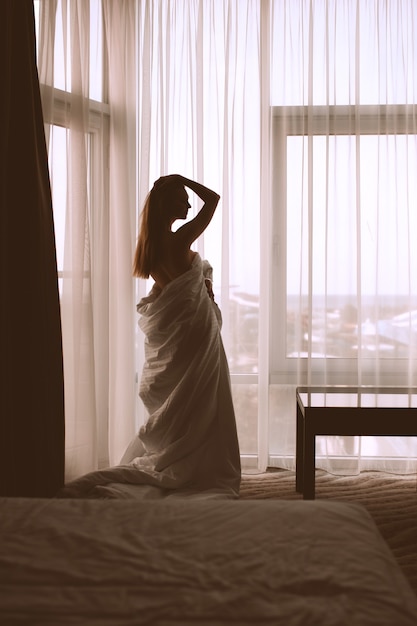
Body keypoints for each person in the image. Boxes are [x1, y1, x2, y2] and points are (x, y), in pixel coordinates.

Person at [60, 175, 241, 499]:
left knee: (183, 403)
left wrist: (198, 284)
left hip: (177, 333)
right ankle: (198, 465)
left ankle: (180, 454)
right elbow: (212, 199)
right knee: (202, 402)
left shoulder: (151, 247)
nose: (188, 204)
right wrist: (179, 178)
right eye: (182, 198)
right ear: (167, 204)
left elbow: (167, 291)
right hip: (195, 333)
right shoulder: (179, 239)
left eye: (187, 198)